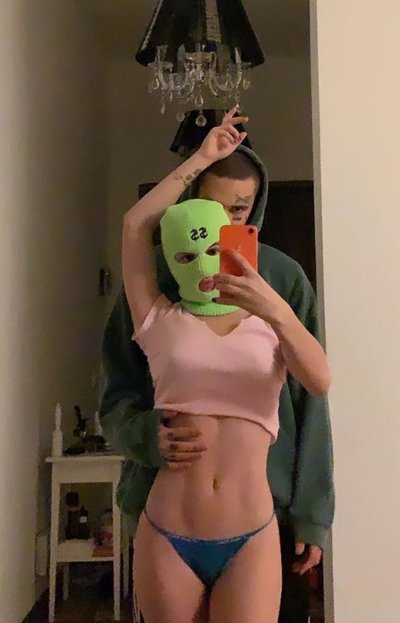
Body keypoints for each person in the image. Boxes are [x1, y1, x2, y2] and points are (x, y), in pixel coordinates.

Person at [100, 108, 335, 622]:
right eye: (213, 208)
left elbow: (316, 390)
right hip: (166, 516)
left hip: (255, 520)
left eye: (240, 210)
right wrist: (202, 156)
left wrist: (312, 514)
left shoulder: (280, 282)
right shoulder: (156, 296)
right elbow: (117, 392)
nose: (226, 226)